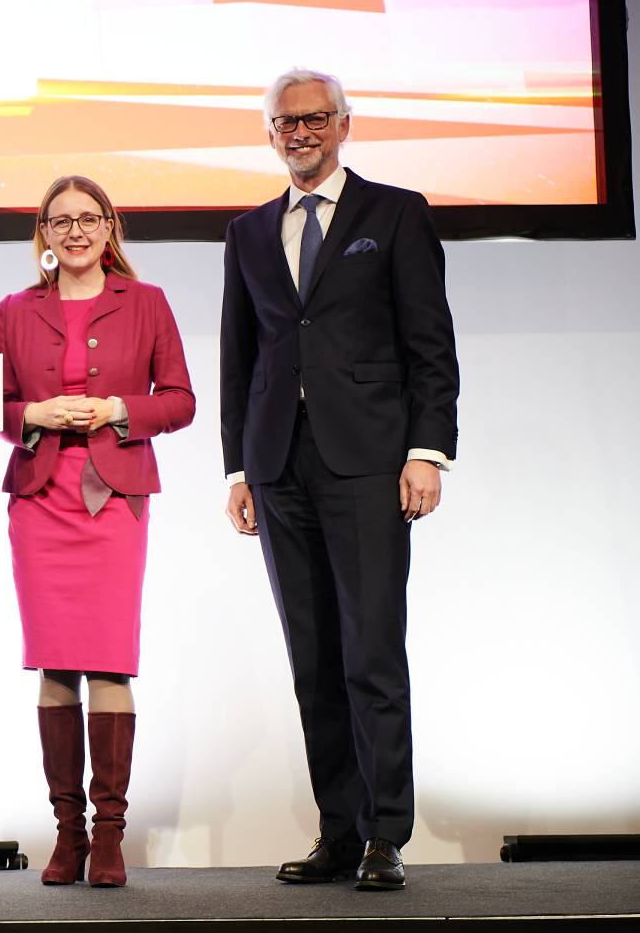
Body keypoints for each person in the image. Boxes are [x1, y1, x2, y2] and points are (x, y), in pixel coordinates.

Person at [220, 69, 459, 891]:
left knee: (371, 654)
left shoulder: (394, 213)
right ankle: (339, 832)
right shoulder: (248, 232)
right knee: (314, 660)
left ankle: (385, 835)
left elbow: (430, 343)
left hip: (369, 465)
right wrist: (240, 468)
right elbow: (238, 361)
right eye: (286, 121)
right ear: (271, 133)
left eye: (315, 118)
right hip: (280, 466)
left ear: (345, 125)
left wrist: (427, 451)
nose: (300, 132)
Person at [0, 176, 194, 888]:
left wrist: (114, 408)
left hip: (115, 498)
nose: (74, 232)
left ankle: (109, 835)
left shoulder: (147, 303)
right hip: (40, 499)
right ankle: (66, 832)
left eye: (88, 219)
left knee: (108, 661)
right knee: (53, 664)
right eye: (60, 221)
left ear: (110, 228)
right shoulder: (15, 309)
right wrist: (34, 418)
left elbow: (181, 400)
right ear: (43, 234)